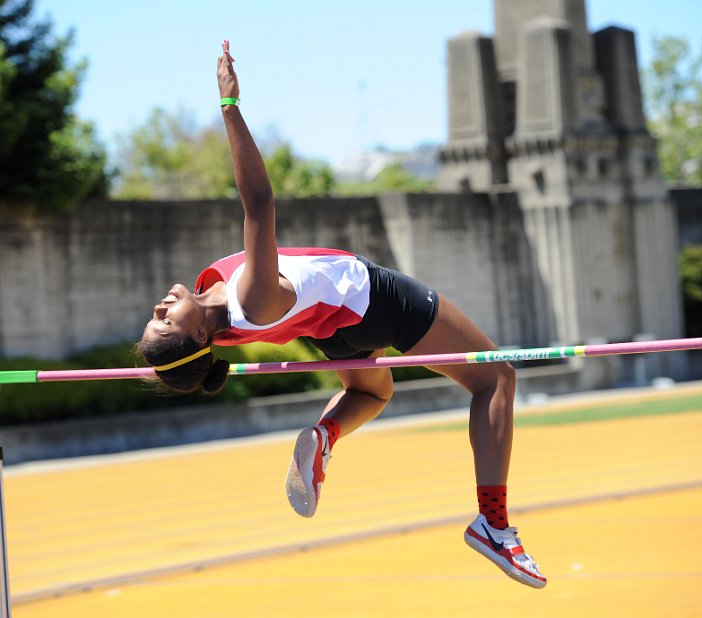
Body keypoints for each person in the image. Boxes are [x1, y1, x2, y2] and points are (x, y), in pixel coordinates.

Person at [139, 40, 546, 589]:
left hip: (334, 330)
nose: (161, 306)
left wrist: (162, 363)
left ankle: (324, 436)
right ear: (194, 334)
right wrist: (230, 107)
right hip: (373, 299)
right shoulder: (250, 300)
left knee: (374, 393)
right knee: (494, 377)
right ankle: (493, 525)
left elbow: (181, 361)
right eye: (165, 320)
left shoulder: (217, 308)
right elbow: (258, 203)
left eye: (155, 315)